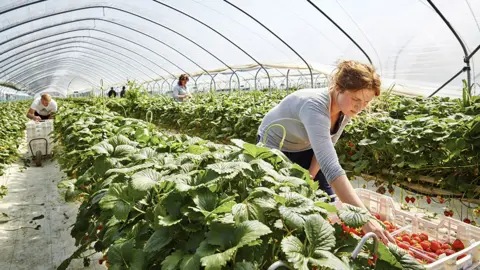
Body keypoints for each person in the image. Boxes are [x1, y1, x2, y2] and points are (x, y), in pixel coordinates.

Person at [257, 60, 395, 244]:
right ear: (338, 88)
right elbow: (331, 167)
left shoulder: (345, 110)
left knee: (324, 199)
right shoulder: (314, 106)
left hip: (304, 145)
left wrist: (309, 177)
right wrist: (365, 218)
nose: (360, 107)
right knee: (279, 202)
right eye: (356, 99)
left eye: (366, 102)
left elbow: (325, 149)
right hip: (274, 145)